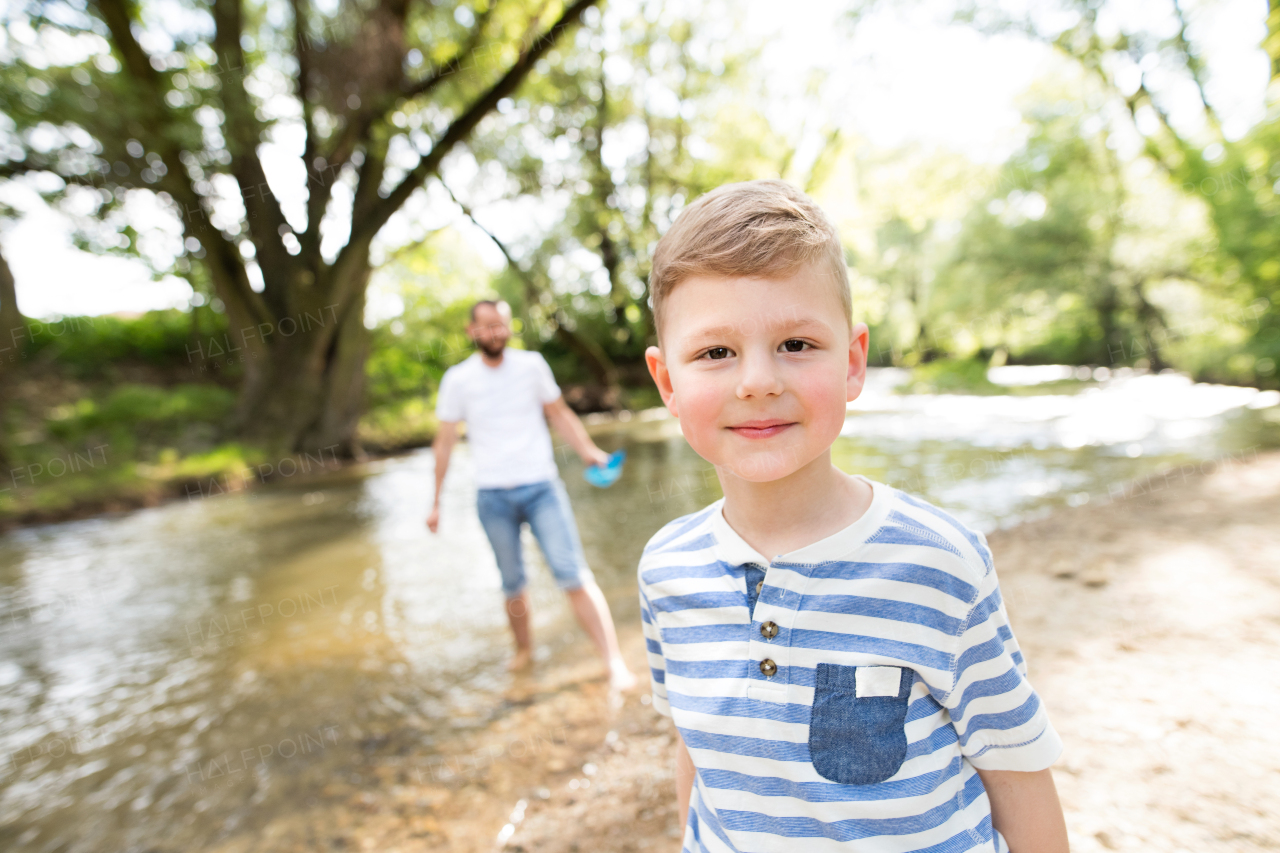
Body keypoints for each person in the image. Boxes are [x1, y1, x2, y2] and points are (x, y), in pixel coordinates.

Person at [637, 180, 1069, 852]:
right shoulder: (666, 568)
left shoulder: (936, 561)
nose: (757, 380)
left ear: (853, 360)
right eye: (715, 352)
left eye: (797, 344)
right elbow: (696, 752)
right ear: (667, 382)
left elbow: (1016, 768)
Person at [428, 299, 636, 690]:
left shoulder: (532, 366)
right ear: (471, 331)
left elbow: (559, 414)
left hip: (541, 487)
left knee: (573, 574)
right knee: (512, 584)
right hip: (492, 497)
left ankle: (614, 663)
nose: (495, 333)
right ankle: (524, 651)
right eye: (487, 326)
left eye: (502, 325)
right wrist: (436, 500)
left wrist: (590, 452)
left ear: (509, 327)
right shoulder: (458, 380)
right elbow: (444, 442)